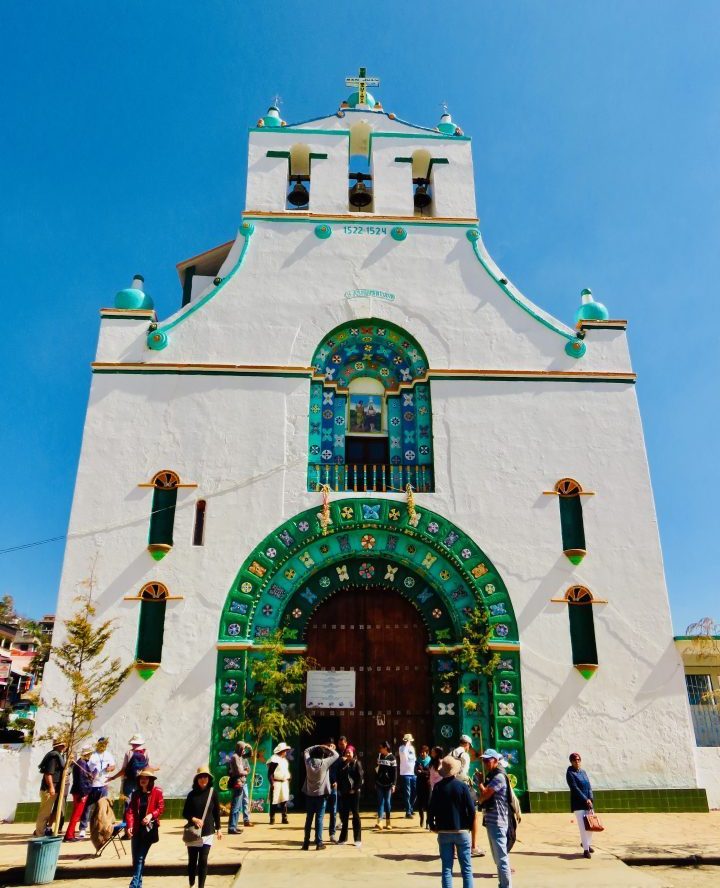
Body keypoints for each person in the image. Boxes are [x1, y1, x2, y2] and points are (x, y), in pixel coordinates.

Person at [427, 755, 476, 888]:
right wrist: (470, 825)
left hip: (444, 831)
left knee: (446, 869)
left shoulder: (437, 787)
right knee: (466, 869)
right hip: (461, 830)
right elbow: (472, 810)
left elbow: (431, 809)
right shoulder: (462, 787)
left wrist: (433, 825)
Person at [477, 749, 512, 888]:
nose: (485, 763)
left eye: (488, 760)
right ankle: (502, 884)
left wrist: (479, 783)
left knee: (501, 858)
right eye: (484, 761)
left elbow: (485, 794)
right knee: (497, 858)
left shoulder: (499, 777)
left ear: (496, 760)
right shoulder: (492, 776)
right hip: (492, 820)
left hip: (498, 820)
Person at [183, 765, 222, 888]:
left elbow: (216, 812)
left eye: (205, 777)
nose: (203, 779)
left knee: (203, 860)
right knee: (192, 860)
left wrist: (219, 829)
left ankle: (201, 886)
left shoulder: (213, 793)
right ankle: (191, 883)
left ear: (209, 779)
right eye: (200, 777)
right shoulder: (191, 795)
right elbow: (185, 813)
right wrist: (194, 819)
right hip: (193, 832)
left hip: (208, 831)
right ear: (196, 779)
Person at [126, 769, 164, 888]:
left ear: (150, 780)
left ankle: (133, 884)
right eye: (141, 778)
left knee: (140, 857)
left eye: (146, 778)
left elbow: (161, 807)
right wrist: (130, 826)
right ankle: (139, 884)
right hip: (137, 829)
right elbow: (130, 811)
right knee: (135, 858)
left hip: (148, 830)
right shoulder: (135, 794)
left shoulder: (157, 792)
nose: (143, 780)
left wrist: (151, 815)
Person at [301, 742, 338, 850]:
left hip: (309, 795)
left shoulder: (308, 762)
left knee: (309, 819)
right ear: (322, 755)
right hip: (321, 796)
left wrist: (316, 745)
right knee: (319, 819)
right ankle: (319, 842)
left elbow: (306, 751)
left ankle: (306, 842)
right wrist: (327, 748)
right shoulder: (325, 763)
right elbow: (336, 755)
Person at [453, 733, 484, 857]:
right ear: (467, 744)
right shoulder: (465, 755)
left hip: (452, 785)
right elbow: (464, 772)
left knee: (456, 815)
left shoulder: (452, 753)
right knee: (474, 814)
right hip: (464, 786)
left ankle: (454, 850)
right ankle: (474, 847)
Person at [79, 736, 115, 838]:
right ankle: (82, 828)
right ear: (98, 744)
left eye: (104, 744)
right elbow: (86, 768)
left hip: (103, 784)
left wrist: (110, 768)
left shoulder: (108, 755)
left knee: (102, 808)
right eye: (101, 744)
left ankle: (101, 827)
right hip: (93, 785)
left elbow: (113, 766)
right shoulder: (93, 755)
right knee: (88, 807)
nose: (103, 746)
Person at [34, 739, 67, 836]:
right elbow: (48, 774)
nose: (64, 747)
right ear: (58, 746)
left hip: (55, 788)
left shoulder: (58, 756)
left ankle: (42, 831)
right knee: (44, 813)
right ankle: (40, 833)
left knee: (47, 812)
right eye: (63, 745)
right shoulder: (53, 757)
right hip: (49, 789)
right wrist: (51, 787)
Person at [566, 752, 595, 858]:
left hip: (588, 803)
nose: (577, 762)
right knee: (583, 828)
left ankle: (586, 843)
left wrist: (590, 798)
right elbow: (575, 788)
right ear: (571, 762)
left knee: (591, 826)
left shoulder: (583, 772)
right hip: (578, 804)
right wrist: (585, 799)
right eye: (574, 760)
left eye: (578, 760)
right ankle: (586, 850)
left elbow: (589, 786)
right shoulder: (570, 773)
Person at [64, 744, 94, 841]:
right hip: (80, 792)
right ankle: (69, 835)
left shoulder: (82, 763)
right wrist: (82, 794)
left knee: (76, 814)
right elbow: (81, 780)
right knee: (76, 815)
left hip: (79, 791)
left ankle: (71, 834)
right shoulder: (81, 763)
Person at [337, 744, 363, 847]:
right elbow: (340, 777)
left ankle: (357, 839)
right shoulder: (342, 764)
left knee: (355, 815)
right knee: (344, 815)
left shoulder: (357, 764)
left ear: (353, 753)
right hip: (344, 793)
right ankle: (343, 838)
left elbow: (360, 779)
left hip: (354, 793)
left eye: (349, 752)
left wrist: (354, 789)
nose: (348, 754)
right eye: (346, 752)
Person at [227, 741, 252, 834]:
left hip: (241, 783)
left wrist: (249, 747)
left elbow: (250, 755)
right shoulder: (235, 757)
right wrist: (246, 772)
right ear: (239, 748)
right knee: (235, 806)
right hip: (237, 783)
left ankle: (234, 826)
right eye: (243, 749)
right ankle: (231, 827)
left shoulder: (241, 757)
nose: (243, 751)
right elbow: (239, 772)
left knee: (238, 807)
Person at [374, 740, 397, 830]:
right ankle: (380, 821)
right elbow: (376, 770)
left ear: (385, 748)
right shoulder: (379, 756)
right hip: (379, 783)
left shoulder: (392, 758)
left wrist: (394, 784)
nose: (380, 749)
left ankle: (388, 821)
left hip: (388, 784)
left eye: (381, 748)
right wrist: (375, 781)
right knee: (380, 802)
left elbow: (395, 773)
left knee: (387, 802)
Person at [267, 742, 291, 825]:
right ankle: (272, 818)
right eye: (285, 751)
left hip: (284, 782)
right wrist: (272, 783)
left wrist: (288, 778)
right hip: (276, 782)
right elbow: (270, 773)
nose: (286, 752)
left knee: (284, 800)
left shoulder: (284, 760)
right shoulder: (274, 759)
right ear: (281, 751)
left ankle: (284, 818)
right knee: (274, 801)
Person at [398, 733, 417, 818]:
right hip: (405, 773)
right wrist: (407, 744)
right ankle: (408, 811)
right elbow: (404, 757)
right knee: (407, 793)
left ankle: (410, 807)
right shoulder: (401, 748)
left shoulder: (412, 748)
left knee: (415, 792)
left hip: (412, 773)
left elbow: (414, 758)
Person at [326, 739, 340, 843]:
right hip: (324, 787)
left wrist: (337, 781)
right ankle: (318, 836)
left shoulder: (337, 758)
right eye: (329, 746)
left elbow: (341, 771)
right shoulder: (323, 757)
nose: (331, 747)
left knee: (333, 811)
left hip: (333, 786)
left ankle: (332, 834)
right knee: (320, 811)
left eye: (333, 746)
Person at [415, 744, 432, 828]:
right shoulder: (417, 761)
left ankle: (428, 822)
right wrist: (423, 772)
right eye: (421, 752)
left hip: (428, 785)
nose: (422, 754)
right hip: (419, 784)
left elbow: (430, 772)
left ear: (427, 753)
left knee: (428, 804)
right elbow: (416, 772)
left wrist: (422, 771)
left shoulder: (430, 761)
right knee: (420, 804)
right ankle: (421, 818)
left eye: (424, 752)